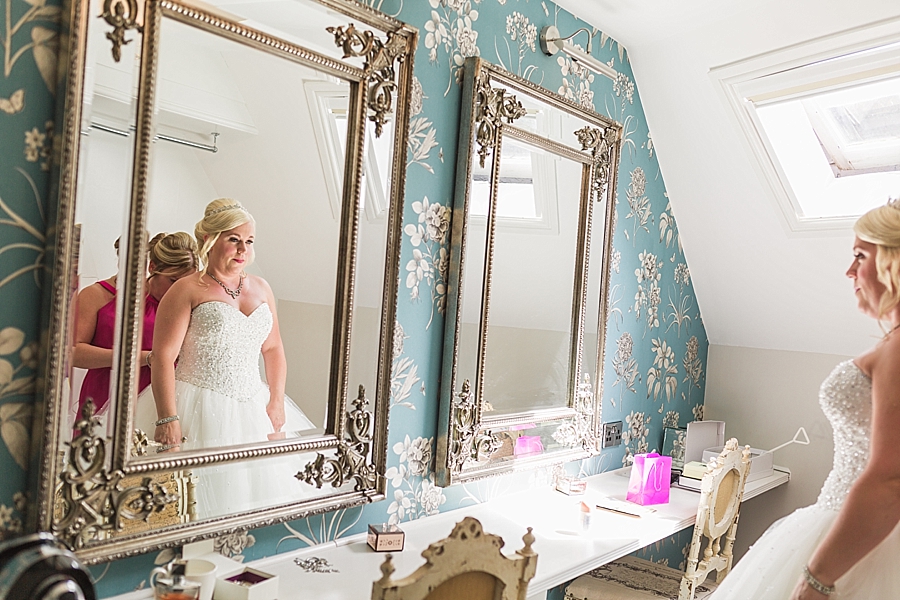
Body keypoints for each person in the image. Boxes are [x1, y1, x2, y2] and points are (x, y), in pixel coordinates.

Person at [710, 200, 900, 599]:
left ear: (893, 262)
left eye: (860, 256)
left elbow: (890, 479)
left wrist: (816, 579)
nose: (849, 271)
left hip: (862, 543)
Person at [133, 199, 315, 518]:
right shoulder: (186, 290)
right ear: (210, 239)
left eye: (249, 241)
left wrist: (276, 400)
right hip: (197, 405)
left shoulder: (262, 288)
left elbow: (273, 349)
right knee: (194, 504)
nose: (243, 249)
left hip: (253, 407)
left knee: (260, 499)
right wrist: (167, 419)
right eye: (234, 239)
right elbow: (162, 357)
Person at [72, 232, 199, 419]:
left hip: (167, 398)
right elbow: (73, 354)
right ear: (152, 266)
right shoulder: (98, 295)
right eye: (173, 280)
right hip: (107, 392)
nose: (178, 290)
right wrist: (145, 357)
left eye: (185, 283)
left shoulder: (190, 304)